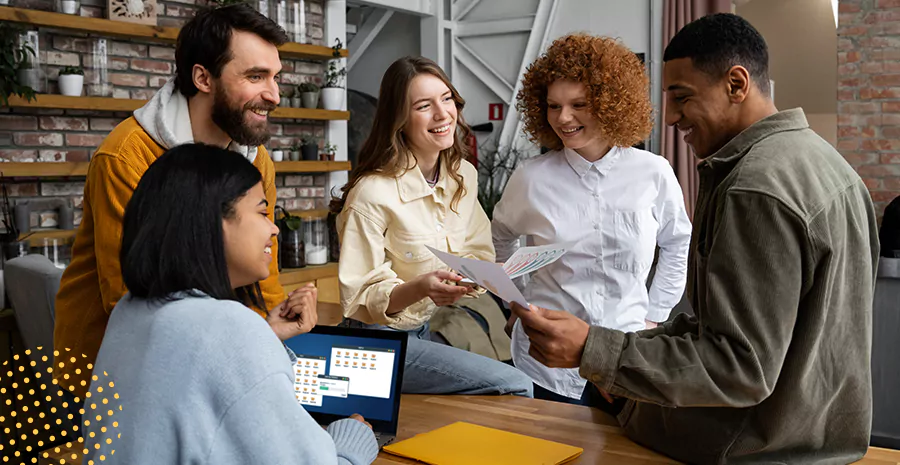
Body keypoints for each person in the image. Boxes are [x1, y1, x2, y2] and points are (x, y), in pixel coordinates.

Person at [511, 13, 879, 464]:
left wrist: (598, 351)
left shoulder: (754, 188)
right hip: (817, 438)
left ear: (737, 84)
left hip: (755, 447)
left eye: (682, 98)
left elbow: (739, 367)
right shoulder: (830, 166)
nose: (670, 117)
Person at [53, 4, 315, 397]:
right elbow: (130, 297)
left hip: (210, 360)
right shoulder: (127, 156)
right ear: (202, 77)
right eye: (255, 76)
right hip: (108, 381)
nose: (274, 94)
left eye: (276, 77)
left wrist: (276, 351)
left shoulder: (255, 160)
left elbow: (265, 277)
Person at [82, 144, 377, 465]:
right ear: (212, 221)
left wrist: (264, 334)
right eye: (263, 212)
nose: (274, 228)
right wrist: (353, 437)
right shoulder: (226, 326)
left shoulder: (131, 309)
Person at [491, 33, 691, 412]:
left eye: (579, 104)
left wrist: (654, 316)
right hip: (545, 362)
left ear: (611, 103)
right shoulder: (531, 178)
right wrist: (517, 303)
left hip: (627, 354)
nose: (563, 118)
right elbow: (500, 239)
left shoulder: (653, 172)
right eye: (553, 106)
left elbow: (678, 242)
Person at [331, 56, 532, 397]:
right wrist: (422, 287)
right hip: (374, 345)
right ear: (400, 120)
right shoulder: (371, 193)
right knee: (514, 384)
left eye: (447, 99)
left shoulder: (462, 176)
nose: (443, 114)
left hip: (421, 330)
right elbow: (360, 298)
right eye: (424, 106)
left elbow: (475, 251)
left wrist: (481, 275)